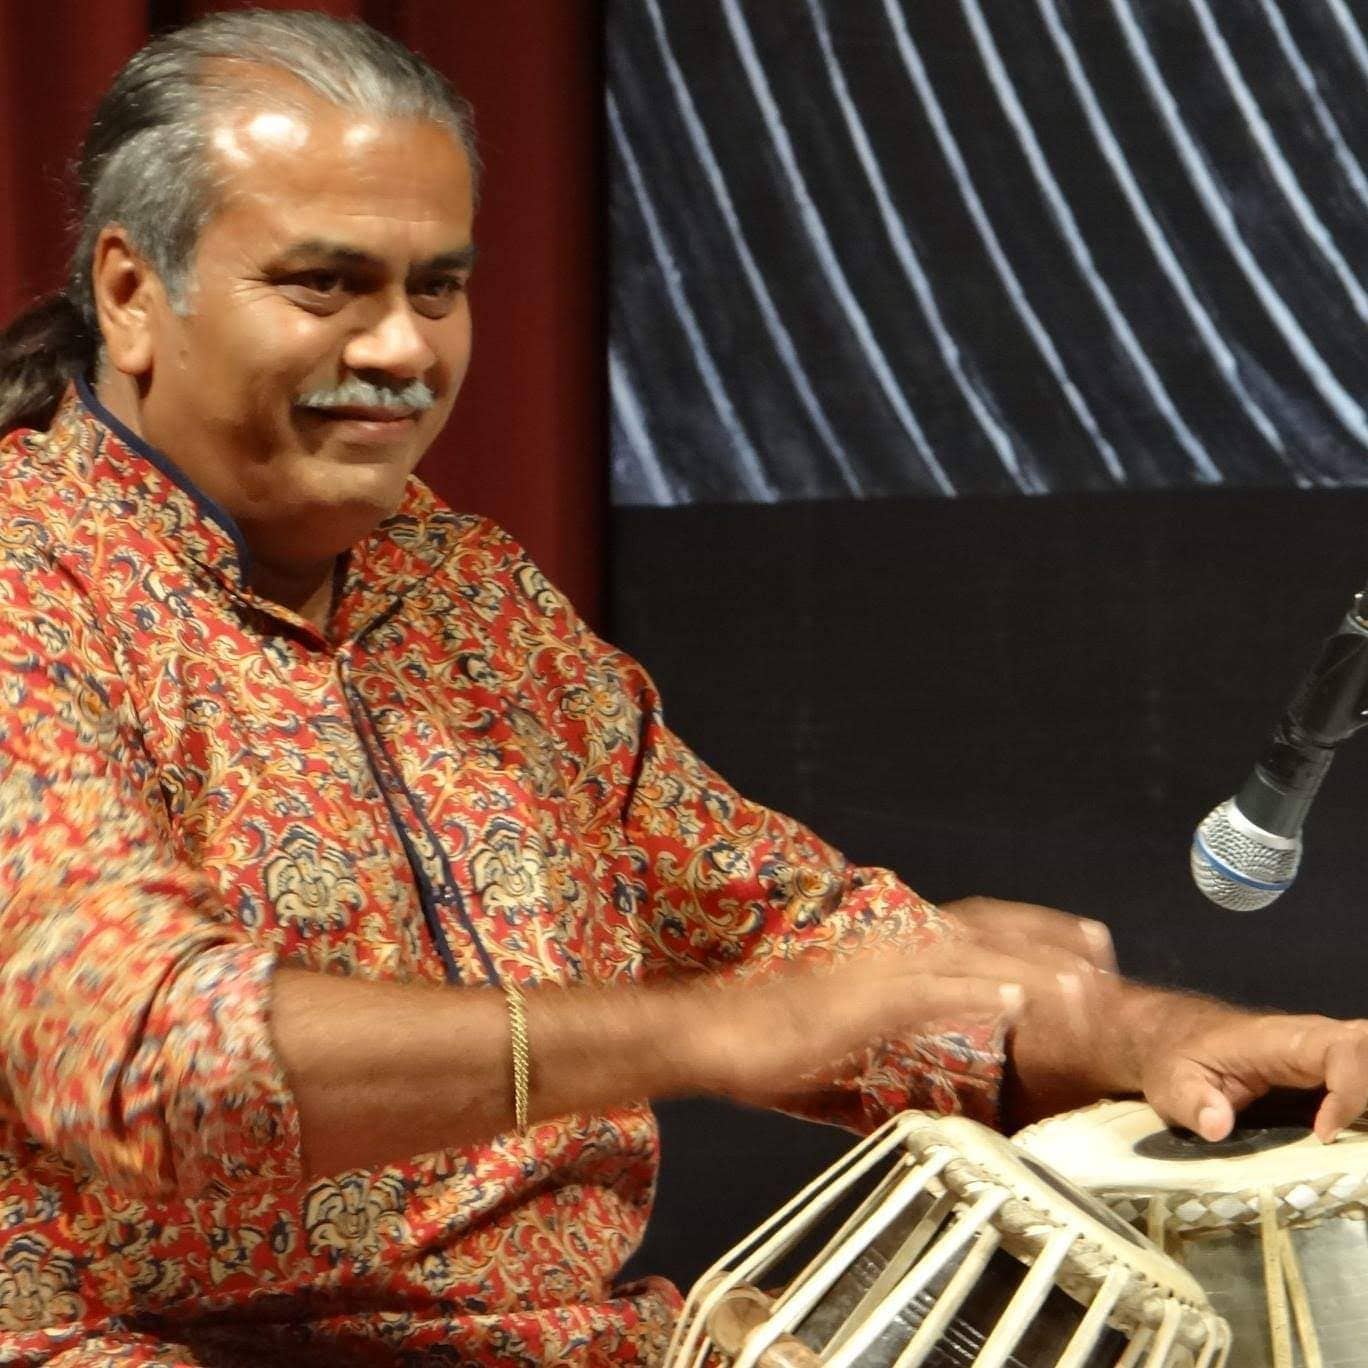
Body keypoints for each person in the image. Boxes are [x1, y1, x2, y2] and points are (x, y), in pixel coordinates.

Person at [0, 10, 1364, 1365]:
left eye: (438, 288)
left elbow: (799, 934)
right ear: (131, 293)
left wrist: (1165, 1034)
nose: (404, 350)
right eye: (325, 285)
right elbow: (143, 1052)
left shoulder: (467, 594)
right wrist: (703, 1031)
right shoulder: (32, 582)